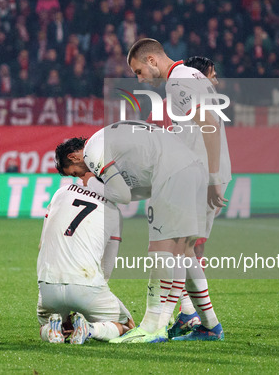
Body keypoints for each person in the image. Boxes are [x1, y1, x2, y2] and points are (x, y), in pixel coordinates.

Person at [55, 121, 209, 344]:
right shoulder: (108, 140)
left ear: (75, 158)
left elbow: (122, 196)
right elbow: (135, 190)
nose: (80, 177)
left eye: (76, 173)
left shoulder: (91, 152)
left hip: (173, 174)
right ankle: (208, 324)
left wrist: (92, 183)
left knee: (161, 251)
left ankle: (152, 327)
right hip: (193, 168)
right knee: (184, 253)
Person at [128, 39, 229, 342]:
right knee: (183, 250)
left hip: (198, 172)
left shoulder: (179, 81)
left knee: (172, 248)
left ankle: (162, 324)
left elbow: (208, 123)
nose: (139, 78)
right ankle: (206, 324)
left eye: (138, 71)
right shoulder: (194, 76)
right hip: (203, 170)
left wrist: (211, 178)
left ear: (151, 60)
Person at [37, 177, 134, 344]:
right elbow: (108, 267)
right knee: (127, 326)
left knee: (45, 325)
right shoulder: (113, 211)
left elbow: (41, 244)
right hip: (86, 286)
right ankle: (89, 329)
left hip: (48, 285)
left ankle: (52, 329)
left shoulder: (61, 192)